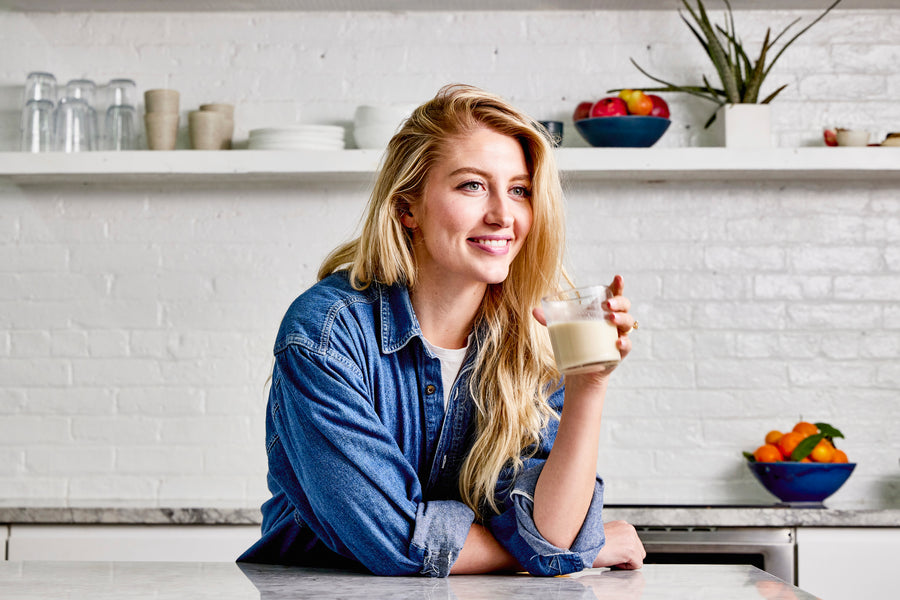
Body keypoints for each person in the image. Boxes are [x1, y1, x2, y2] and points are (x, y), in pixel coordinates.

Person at [238, 84, 645, 577]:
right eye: (472, 185)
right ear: (407, 208)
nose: (502, 215)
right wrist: (564, 552)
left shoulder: (532, 336)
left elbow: (553, 531)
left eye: (518, 190)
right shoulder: (325, 335)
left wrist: (588, 383)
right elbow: (394, 539)